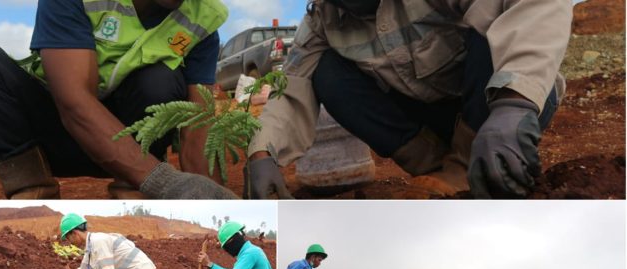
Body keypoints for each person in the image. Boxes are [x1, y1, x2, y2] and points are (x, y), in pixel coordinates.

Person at [244, 0, 571, 199]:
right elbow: (290, 86)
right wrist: (262, 154)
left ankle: (466, 167)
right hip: (435, 120)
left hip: (498, 114)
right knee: (327, 73)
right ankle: (438, 170)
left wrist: (514, 102)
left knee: (492, 26)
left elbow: (534, 5)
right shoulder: (322, 21)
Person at [0, 0, 236, 200]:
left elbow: (199, 122)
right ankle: (33, 187)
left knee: (160, 79)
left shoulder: (201, 20)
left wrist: (210, 196)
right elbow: (73, 102)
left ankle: (133, 186)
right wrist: (165, 183)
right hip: (54, 136)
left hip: (132, 146)